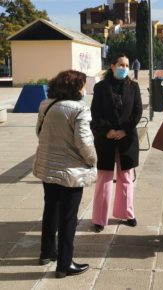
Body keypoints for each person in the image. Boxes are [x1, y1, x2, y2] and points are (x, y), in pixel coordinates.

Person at [33, 70, 97, 278]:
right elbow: (84, 142)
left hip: (48, 167)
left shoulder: (46, 104)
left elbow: (39, 132)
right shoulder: (80, 109)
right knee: (68, 217)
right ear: (75, 87)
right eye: (82, 86)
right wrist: (93, 160)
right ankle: (65, 264)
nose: (84, 90)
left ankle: (46, 252)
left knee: (50, 210)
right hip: (71, 171)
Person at [91, 53, 143, 233]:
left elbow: (137, 112)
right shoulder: (100, 87)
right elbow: (95, 112)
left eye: (127, 65)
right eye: (121, 64)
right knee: (104, 178)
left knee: (126, 177)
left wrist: (123, 130)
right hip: (106, 139)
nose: (124, 68)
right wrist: (108, 131)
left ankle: (126, 213)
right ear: (112, 66)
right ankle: (99, 218)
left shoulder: (134, 87)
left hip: (127, 138)